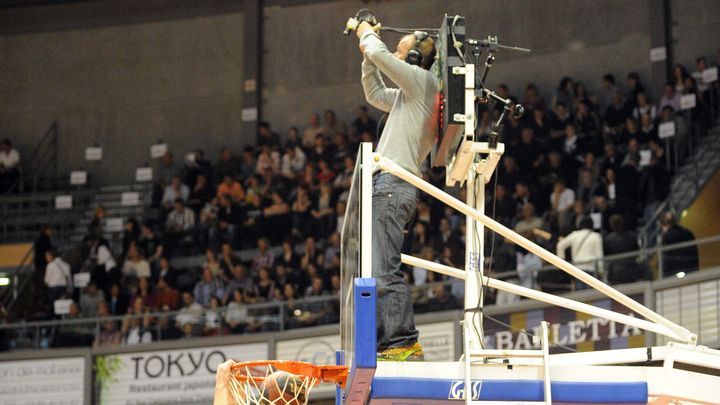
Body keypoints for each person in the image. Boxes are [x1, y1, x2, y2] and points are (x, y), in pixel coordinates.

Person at [356, 19, 438, 361]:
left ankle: (403, 342)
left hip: (393, 184)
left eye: (400, 50)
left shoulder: (423, 82)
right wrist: (366, 54)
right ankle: (390, 343)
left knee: (383, 270)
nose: (394, 53)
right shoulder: (411, 94)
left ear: (416, 59)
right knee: (376, 269)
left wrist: (366, 34)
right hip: (391, 185)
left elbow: (378, 52)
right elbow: (374, 92)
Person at [556, 217, 604, 290]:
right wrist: (601, 270)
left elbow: (560, 245)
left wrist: (562, 261)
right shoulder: (596, 236)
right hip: (591, 267)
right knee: (593, 294)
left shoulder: (575, 234)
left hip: (578, 268)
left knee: (581, 295)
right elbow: (599, 255)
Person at [660, 212, 699, 278]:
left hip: (675, 274)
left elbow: (667, 258)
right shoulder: (688, 232)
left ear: (663, 225)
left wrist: (665, 276)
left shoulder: (667, 236)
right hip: (692, 270)